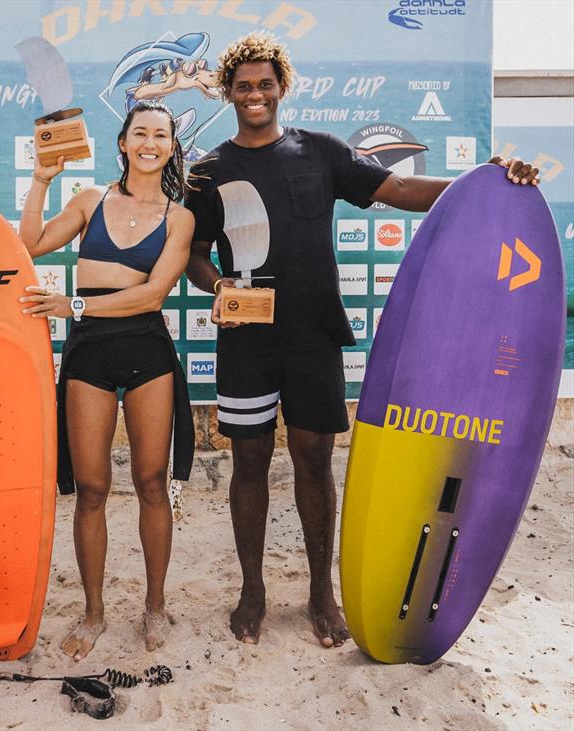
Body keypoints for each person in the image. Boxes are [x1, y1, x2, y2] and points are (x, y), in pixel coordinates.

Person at [184, 32, 540, 649]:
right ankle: (253, 591)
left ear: (281, 88)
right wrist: (218, 288)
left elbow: (399, 192)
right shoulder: (209, 170)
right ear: (228, 93)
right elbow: (191, 254)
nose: (255, 95)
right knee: (247, 462)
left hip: (314, 336)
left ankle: (322, 594)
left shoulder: (320, 152)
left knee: (315, 460)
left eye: (265, 84)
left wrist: (486, 182)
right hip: (246, 341)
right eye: (243, 87)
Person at [18, 100, 196, 659]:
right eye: (139, 132)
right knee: (91, 489)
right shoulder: (90, 200)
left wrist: (73, 305)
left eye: (160, 135)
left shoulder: (180, 217)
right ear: (122, 142)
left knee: (150, 482)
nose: (149, 142)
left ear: (171, 146)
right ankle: (93, 612)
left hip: (146, 347)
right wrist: (42, 181)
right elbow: (29, 244)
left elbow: (151, 295)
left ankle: (156, 606)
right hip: (90, 353)